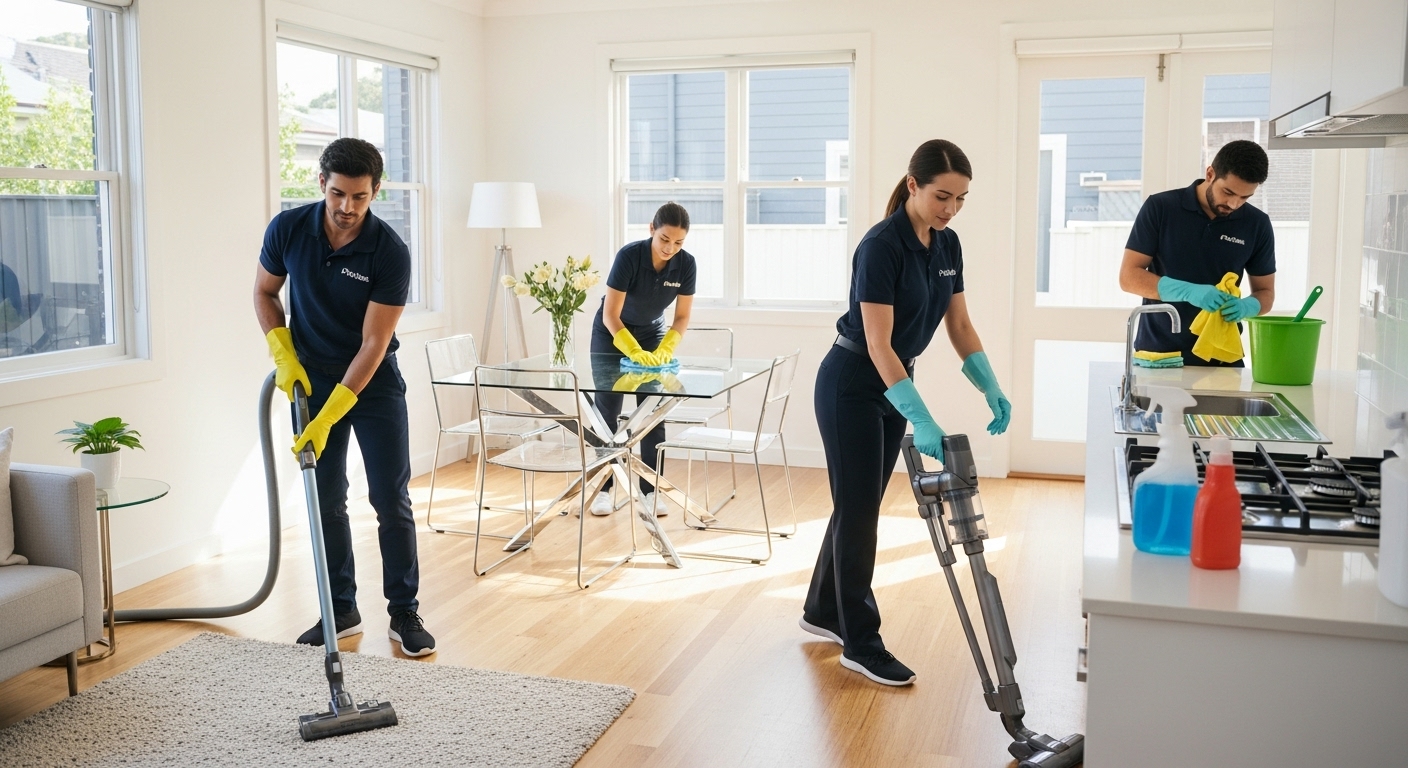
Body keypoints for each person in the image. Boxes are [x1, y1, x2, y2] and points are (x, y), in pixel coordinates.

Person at [801, 140, 1012, 687]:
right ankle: (860, 642)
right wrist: (920, 415)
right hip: (852, 383)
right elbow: (877, 342)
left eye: (961, 199)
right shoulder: (881, 246)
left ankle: (823, 609)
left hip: (893, 381)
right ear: (913, 185)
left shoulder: (947, 245)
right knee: (859, 509)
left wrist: (989, 384)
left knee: (860, 500)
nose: (950, 209)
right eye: (943, 196)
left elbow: (959, 325)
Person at [253, 137, 435, 657]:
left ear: (375, 191)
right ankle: (340, 610)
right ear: (321, 184)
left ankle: (404, 612)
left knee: (389, 499)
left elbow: (375, 343)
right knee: (326, 501)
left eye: (359, 196)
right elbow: (264, 291)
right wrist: (282, 353)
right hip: (308, 381)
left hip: (371, 383)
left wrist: (334, 411)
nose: (347, 208)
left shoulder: (389, 251)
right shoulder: (288, 230)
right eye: (337, 194)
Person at [1118, 139, 1277, 364]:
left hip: (1222, 359)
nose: (1233, 204)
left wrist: (1247, 307)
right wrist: (1187, 292)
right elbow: (1128, 277)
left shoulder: (1257, 224)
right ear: (1210, 173)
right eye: (1228, 192)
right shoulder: (1161, 208)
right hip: (1160, 356)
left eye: (1244, 198)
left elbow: (1266, 293)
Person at [588, 202, 696, 518]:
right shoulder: (629, 257)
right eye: (664, 239)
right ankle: (604, 489)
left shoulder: (686, 265)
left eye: (678, 243)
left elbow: (682, 317)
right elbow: (610, 314)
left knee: (651, 412)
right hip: (612, 333)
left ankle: (649, 491)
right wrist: (632, 351)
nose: (670, 248)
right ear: (652, 229)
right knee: (607, 409)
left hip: (651, 333)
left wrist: (665, 348)